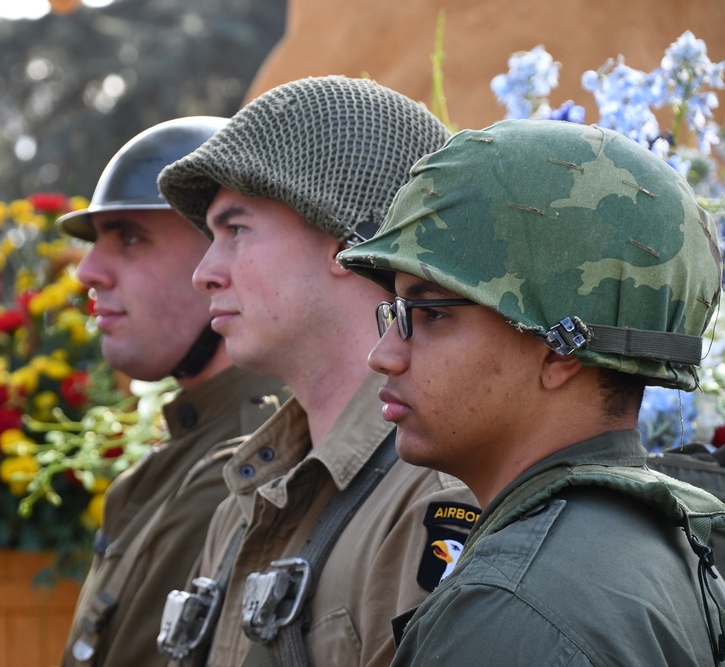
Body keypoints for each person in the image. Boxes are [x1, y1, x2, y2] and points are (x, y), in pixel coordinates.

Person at [338, 118, 725, 665]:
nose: (383, 355)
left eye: (428, 314)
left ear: (559, 349)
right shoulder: (651, 544)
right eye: (393, 313)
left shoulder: (513, 611)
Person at [155, 75, 479, 666]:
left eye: (236, 230)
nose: (205, 271)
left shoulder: (437, 500)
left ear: (342, 245)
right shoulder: (247, 500)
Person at [58, 117, 289, 667]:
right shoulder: (196, 445)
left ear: (220, 257)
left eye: (130, 239)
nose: (88, 271)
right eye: (97, 241)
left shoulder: (242, 464)